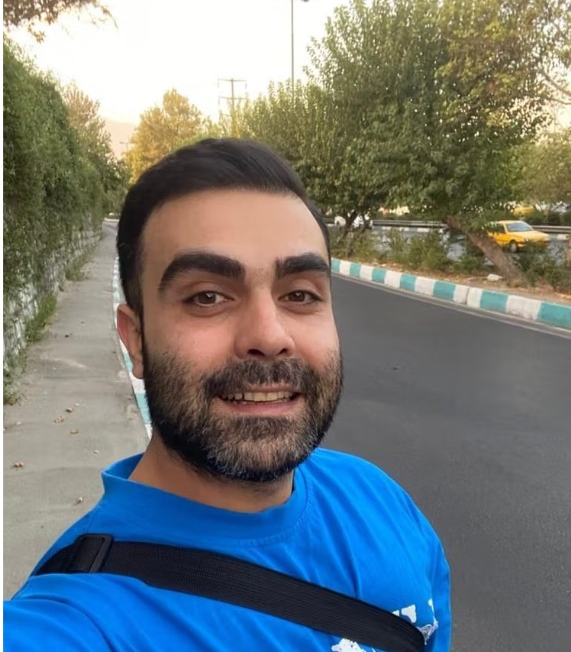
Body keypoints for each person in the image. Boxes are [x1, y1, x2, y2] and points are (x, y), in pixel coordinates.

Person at [4, 138, 451, 651]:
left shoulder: (383, 503)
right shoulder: (76, 621)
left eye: (299, 294)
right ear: (136, 340)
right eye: (208, 297)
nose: (269, 335)